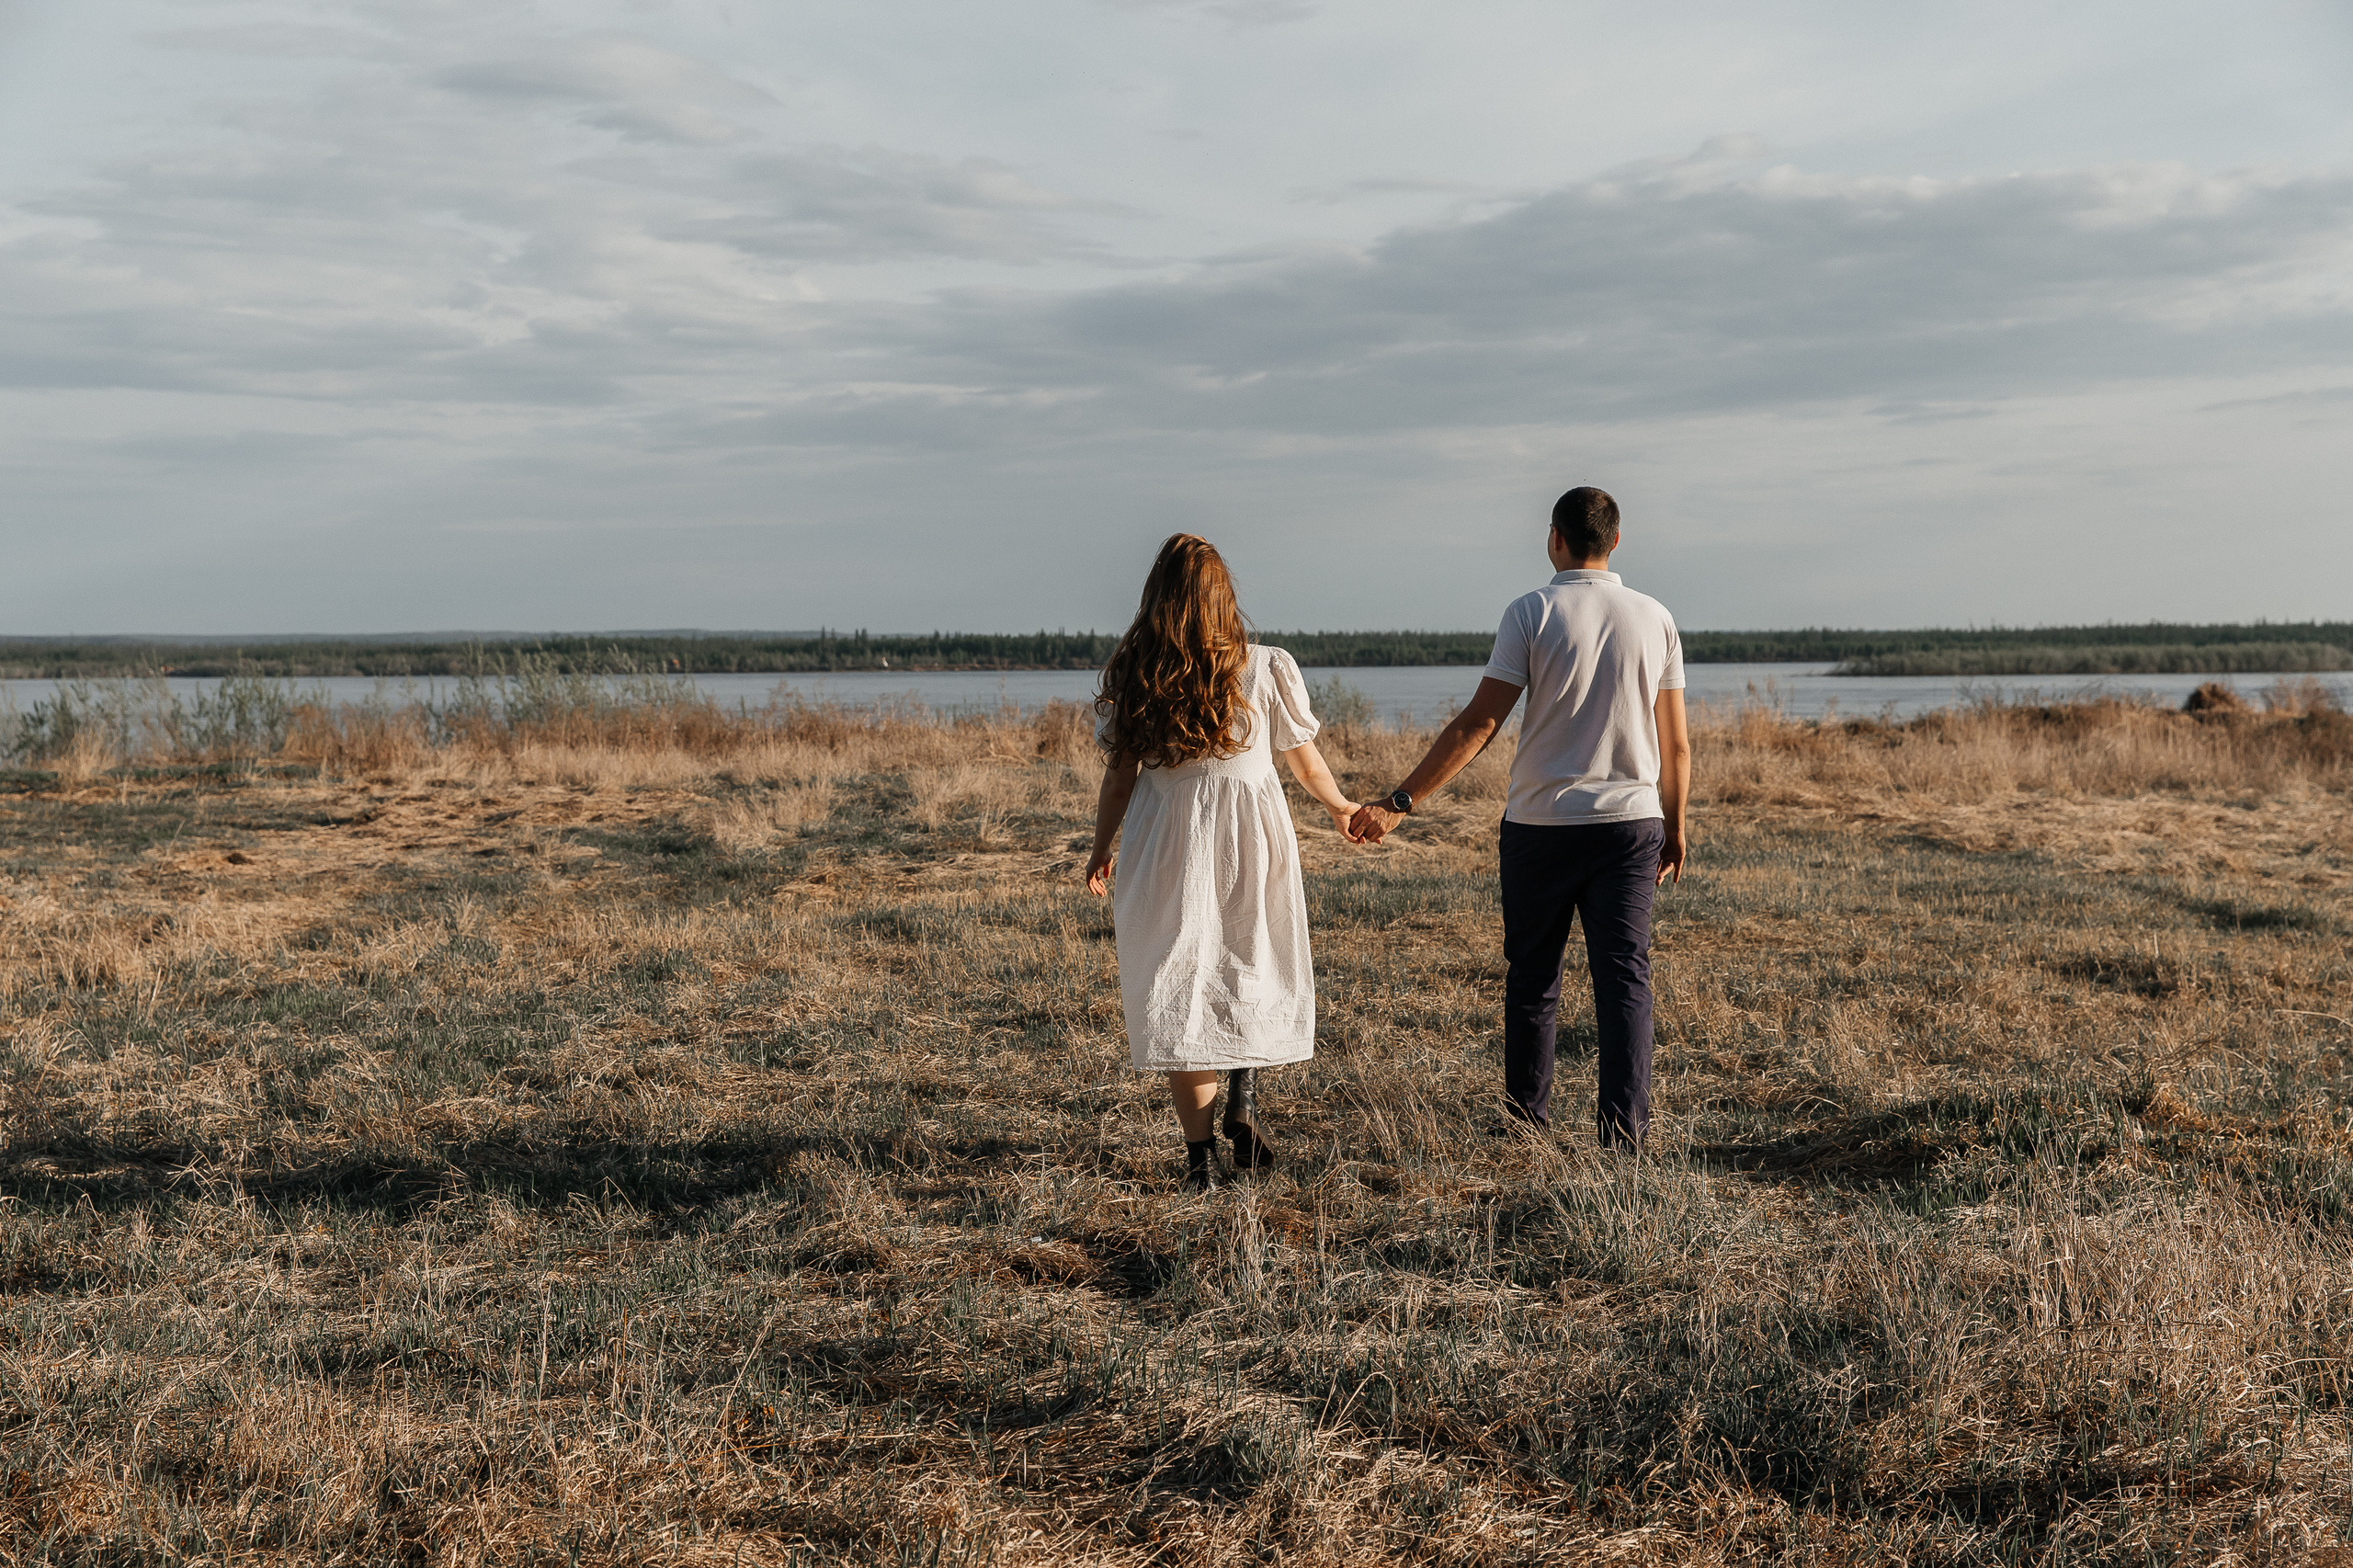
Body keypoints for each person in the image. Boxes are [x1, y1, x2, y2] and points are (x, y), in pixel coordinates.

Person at [1349, 487, 1690, 1148]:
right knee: (1625, 977)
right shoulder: (1656, 617)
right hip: (1631, 825)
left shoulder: (1531, 612)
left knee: (1534, 976)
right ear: (1616, 541)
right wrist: (1674, 826)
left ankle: (1525, 1125)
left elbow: (1480, 723)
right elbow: (1674, 743)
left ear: (1554, 537)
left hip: (1541, 825)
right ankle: (1624, 1137)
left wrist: (1399, 804)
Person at [1085, 535, 1362, 1190]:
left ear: (1158, 600)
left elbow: (1119, 781)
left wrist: (1101, 847)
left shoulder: (1139, 676)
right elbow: (1305, 761)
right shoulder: (1265, 667)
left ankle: (1198, 1161)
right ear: (1224, 599)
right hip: (1252, 833)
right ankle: (1244, 1093)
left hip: (1166, 840)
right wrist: (1341, 806)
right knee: (1250, 957)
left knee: (1180, 980)